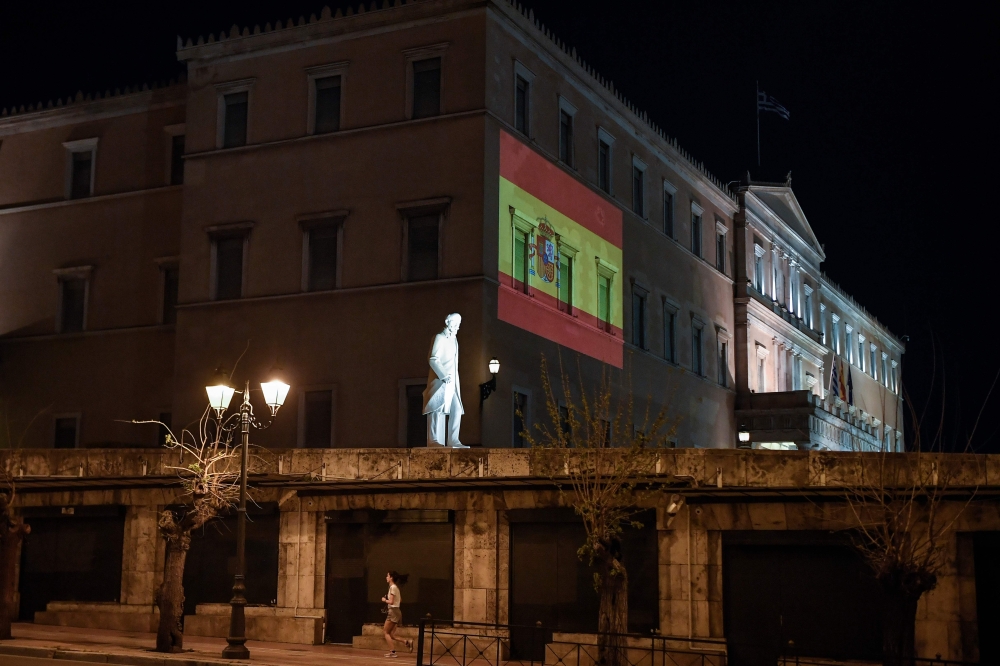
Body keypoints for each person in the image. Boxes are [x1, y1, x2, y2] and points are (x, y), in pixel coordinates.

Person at [421, 313, 468, 448]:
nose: (457, 327)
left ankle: (453, 440)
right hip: (441, 379)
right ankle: (433, 440)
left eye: (459, 324)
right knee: (436, 407)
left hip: (453, 381)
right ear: (448, 322)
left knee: (457, 409)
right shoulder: (439, 338)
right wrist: (443, 375)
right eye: (455, 323)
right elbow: (433, 358)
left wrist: (452, 377)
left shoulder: (454, 340)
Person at [382, 570, 411, 657]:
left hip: (393, 612)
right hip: (397, 612)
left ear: (391, 578)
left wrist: (385, 600)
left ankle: (392, 652)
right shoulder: (395, 588)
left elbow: (391, 602)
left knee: (385, 632)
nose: (386, 578)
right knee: (391, 634)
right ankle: (406, 642)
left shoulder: (392, 587)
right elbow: (400, 600)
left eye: (387, 576)